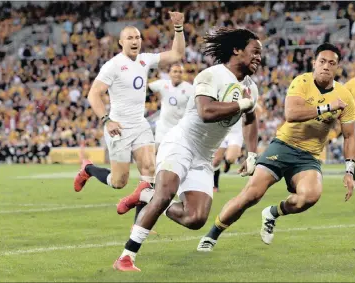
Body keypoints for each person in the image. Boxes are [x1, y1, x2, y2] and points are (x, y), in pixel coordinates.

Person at [111, 27, 262, 272]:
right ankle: (126, 257)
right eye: (254, 51)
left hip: (203, 156)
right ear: (237, 50)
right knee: (165, 194)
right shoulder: (211, 75)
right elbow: (206, 112)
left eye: (260, 54)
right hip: (181, 143)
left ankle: (145, 195)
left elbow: (250, 119)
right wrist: (240, 104)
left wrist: (252, 154)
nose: (258, 57)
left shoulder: (251, 88)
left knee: (196, 219)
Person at [196, 43, 355, 252]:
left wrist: (349, 172)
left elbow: (350, 136)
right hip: (283, 147)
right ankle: (213, 234)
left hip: (309, 156)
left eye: (332, 63)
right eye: (322, 61)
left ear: (337, 67)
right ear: (314, 63)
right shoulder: (302, 81)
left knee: (310, 196)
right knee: (251, 195)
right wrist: (327, 106)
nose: (326, 66)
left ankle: (272, 213)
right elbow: (291, 114)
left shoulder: (345, 96)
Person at [73, 12, 185, 195]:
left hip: (140, 125)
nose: (134, 41)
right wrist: (107, 121)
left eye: (137, 37)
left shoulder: (145, 60)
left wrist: (178, 28)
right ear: (121, 42)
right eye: (130, 38)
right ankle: (88, 170)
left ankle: (140, 225)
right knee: (119, 182)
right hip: (119, 127)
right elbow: (93, 94)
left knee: (150, 171)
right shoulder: (113, 65)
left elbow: (177, 54)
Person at [148, 63, 193, 149]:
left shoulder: (189, 89)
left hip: (180, 129)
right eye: (175, 71)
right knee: (157, 152)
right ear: (170, 74)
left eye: (180, 72)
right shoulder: (163, 84)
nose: (177, 74)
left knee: (176, 155)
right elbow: (147, 89)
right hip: (163, 127)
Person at [213, 119, 243, 192]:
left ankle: (228, 162)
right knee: (215, 161)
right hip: (220, 131)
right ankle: (215, 185)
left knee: (231, 158)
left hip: (235, 133)